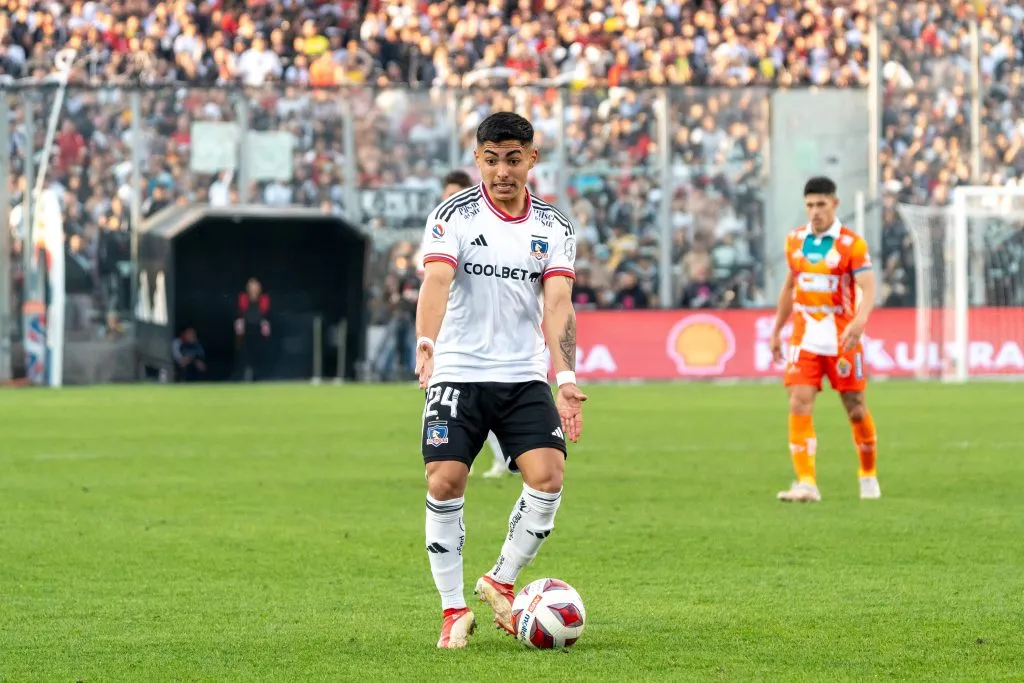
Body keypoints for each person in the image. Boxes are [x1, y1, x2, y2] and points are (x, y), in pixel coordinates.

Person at [415, 112, 587, 649]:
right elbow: (437, 281)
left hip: (520, 374)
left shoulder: (554, 228)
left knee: (549, 476)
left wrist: (565, 378)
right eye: (491, 160)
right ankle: (453, 611)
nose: (502, 171)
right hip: (460, 371)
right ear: (478, 161)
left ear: (531, 159)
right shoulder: (454, 216)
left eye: (513, 159)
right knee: (444, 481)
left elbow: (558, 301)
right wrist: (427, 343)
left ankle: (500, 579)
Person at [770, 176, 880, 503]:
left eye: (821, 204)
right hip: (804, 338)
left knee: (856, 408)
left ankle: (868, 473)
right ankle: (806, 482)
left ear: (835, 204)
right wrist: (777, 329)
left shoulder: (851, 244)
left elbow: (870, 287)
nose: (815, 212)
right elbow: (790, 287)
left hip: (842, 338)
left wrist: (859, 323)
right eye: (809, 205)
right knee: (798, 401)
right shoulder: (794, 241)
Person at [439, 169, 510, 480]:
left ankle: (501, 457)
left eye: (456, 194)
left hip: (483, 333)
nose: (450, 201)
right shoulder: (441, 228)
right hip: (452, 330)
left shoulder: (485, 230)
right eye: (446, 196)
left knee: (480, 401)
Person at [235, 278, 271, 381]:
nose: (254, 288)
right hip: (246, 329)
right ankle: (244, 374)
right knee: (244, 351)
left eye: (256, 286)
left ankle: (258, 375)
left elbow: (265, 314)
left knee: (258, 353)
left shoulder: (264, 298)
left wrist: (264, 326)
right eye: (251, 286)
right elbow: (240, 313)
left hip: (258, 329)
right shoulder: (243, 298)